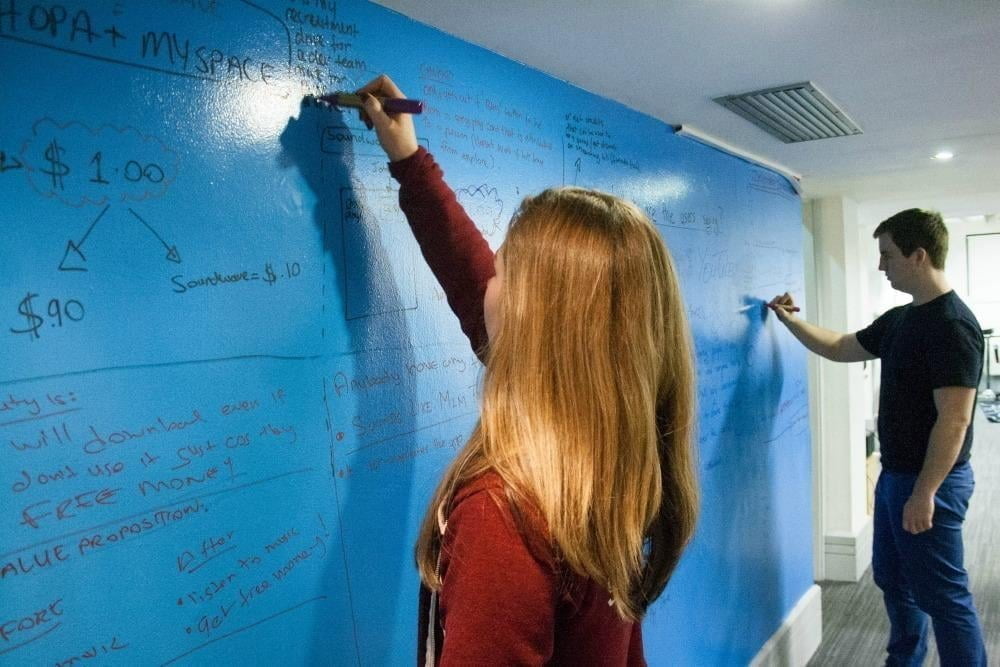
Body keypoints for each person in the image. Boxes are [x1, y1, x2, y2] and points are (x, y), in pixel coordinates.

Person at [352, 74, 699, 665]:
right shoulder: (601, 458)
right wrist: (408, 160)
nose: (488, 282)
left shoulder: (504, 516)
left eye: (505, 271)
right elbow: (470, 277)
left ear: (538, 327)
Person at [769, 208, 986, 666]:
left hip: (932, 483)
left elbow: (955, 420)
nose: (881, 265)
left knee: (944, 597)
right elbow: (840, 346)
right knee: (894, 581)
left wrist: (924, 493)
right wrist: (789, 321)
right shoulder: (902, 319)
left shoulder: (953, 326)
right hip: (896, 477)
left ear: (918, 256)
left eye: (887, 255)